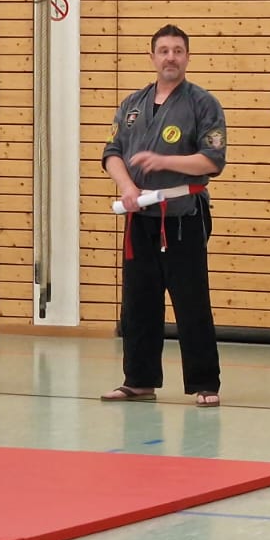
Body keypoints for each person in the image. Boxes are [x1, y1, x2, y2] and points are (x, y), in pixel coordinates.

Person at [101, 24, 228, 407]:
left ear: (187, 57)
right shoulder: (132, 104)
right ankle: (139, 380)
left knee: (191, 302)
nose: (170, 57)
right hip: (140, 216)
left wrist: (164, 161)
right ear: (152, 57)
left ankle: (204, 382)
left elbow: (212, 160)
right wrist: (127, 186)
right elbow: (112, 153)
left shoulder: (203, 104)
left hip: (183, 216)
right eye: (164, 50)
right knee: (138, 301)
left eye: (177, 51)